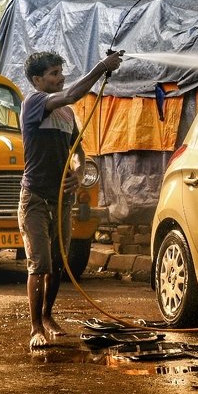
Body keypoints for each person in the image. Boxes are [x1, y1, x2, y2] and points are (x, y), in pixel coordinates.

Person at [19, 50, 122, 349]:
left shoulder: (66, 114)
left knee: (58, 263)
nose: (60, 77)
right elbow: (73, 94)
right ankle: (35, 326)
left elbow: (77, 150)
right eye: (53, 73)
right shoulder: (35, 102)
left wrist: (77, 171)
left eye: (61, 71)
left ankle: (48, 316)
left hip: (61, 201)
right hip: (35, 198)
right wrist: (102, 67)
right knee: (39, 264)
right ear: (38, 80)